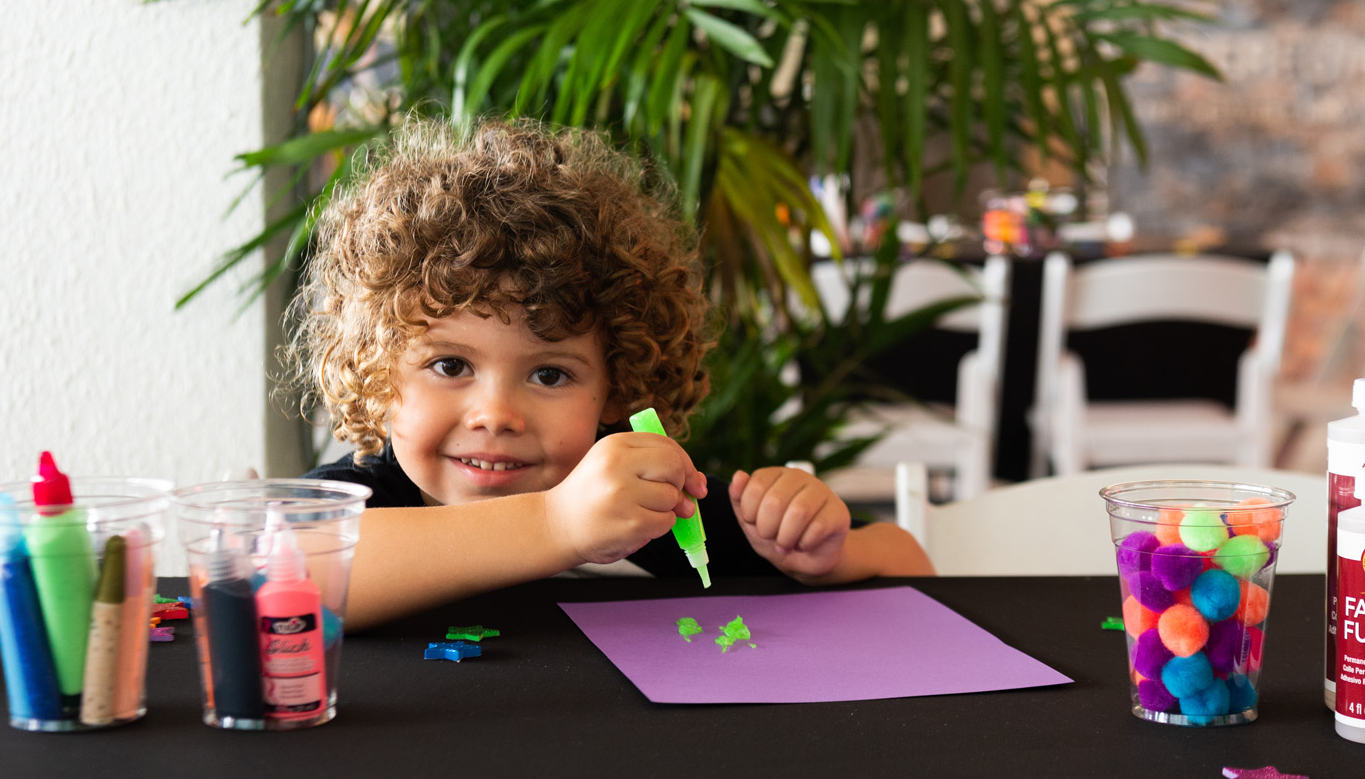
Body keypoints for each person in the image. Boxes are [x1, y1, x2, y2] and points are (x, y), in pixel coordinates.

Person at [291, 117, 933, 628]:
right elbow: (293, 577)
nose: (495, 414)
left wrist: (827, 556)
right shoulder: (357, 504)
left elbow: (911, 564)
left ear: (617, 387)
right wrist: (557, 527)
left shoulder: (650, 513)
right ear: (378, 375)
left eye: (549, 376)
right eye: (450, 365)